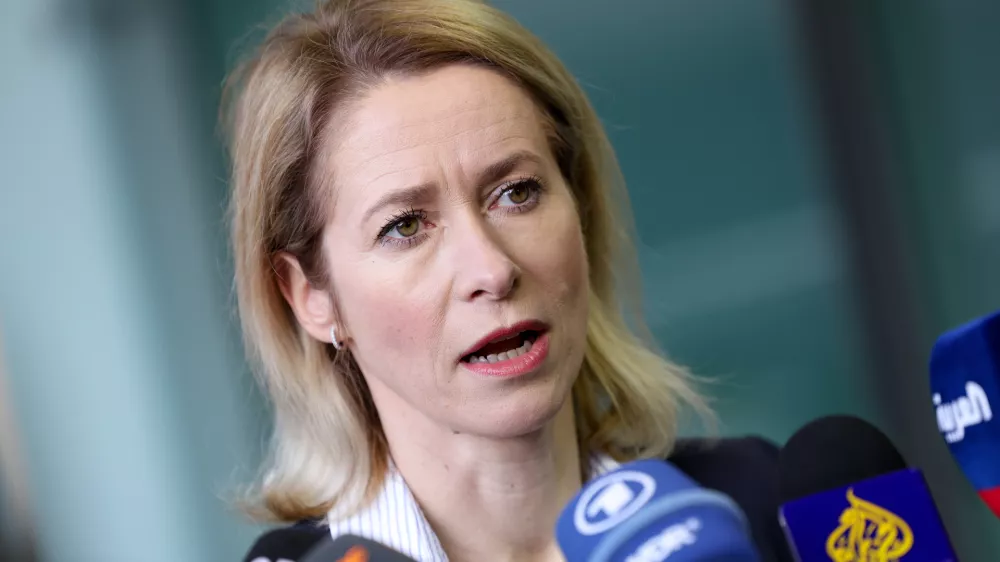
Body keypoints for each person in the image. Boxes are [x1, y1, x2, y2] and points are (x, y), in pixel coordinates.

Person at [224, 1, 790, 560]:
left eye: (516, 193)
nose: (491, 271)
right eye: (404, 227)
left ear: (581, 208)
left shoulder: (770, 507)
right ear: (311, 298)